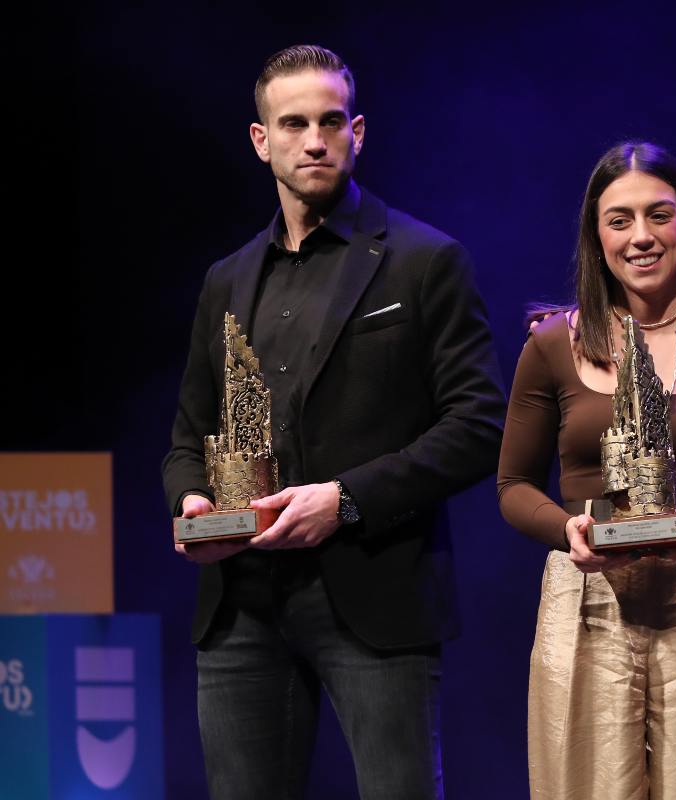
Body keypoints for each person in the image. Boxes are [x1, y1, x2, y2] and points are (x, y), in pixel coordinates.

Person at [161, 44, 505, 799]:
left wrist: (342, 500)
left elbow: (478, 425)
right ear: (262, 141)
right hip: (240, 601)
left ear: (357, 131)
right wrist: (192, 504)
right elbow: (189, 435)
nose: (313, 140)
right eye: (292, 124)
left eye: (329, 121)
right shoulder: (226, 278)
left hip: (374, 592)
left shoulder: (424, 260)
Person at [497, 141, 676, 800]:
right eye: (618, 220)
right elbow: (512, 487)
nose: (640, 237)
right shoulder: (549, 346)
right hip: (587, 601)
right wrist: (567, 529)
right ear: (596, 238)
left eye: (658, 215)